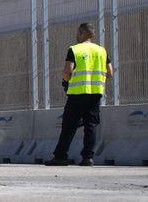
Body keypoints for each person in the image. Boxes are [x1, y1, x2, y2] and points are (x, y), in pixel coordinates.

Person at [45, 22, 114, 166]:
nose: (77, 35)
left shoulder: (74, 50)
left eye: (78, 33)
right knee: (91, 125)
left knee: (69, 125)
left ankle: (61, 156)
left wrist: (68, 81)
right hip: (95, 94)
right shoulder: (102, 51)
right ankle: (88, 158)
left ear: (82, 33)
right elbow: (110, 73)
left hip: (77, 94)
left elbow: (66, 72)